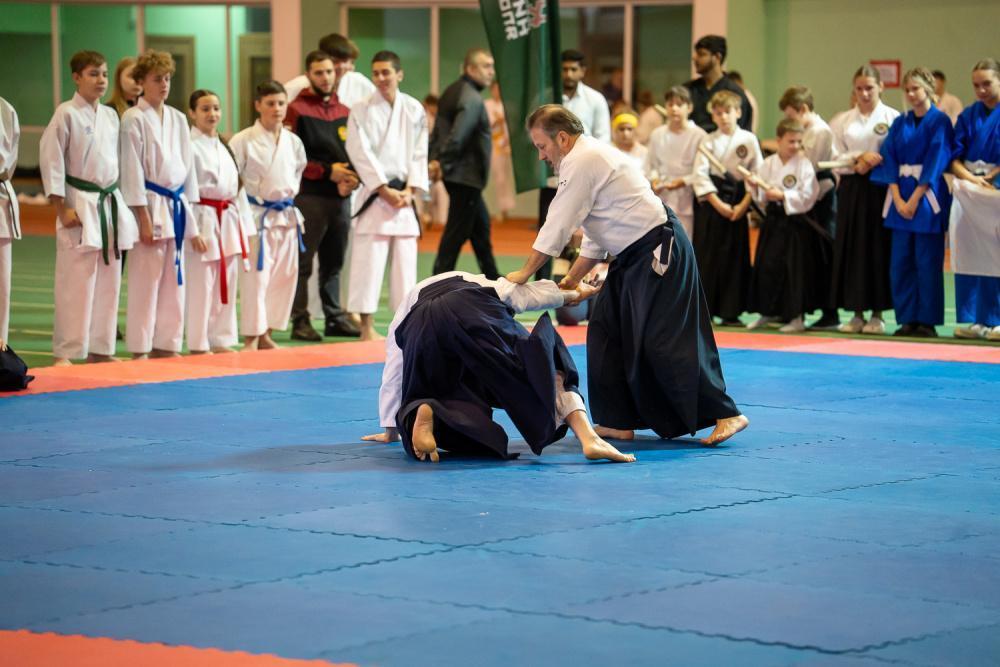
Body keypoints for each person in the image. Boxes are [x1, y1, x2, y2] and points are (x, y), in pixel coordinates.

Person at [506, 105, 749, 446]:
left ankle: (726, 413)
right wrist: (572, 280)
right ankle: (616, 420)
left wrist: (526, 271)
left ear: (561, 138)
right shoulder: (583, 160)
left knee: (663, 338)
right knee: (606, 329)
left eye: (541, 146)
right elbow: (596, 231)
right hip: (630, 256)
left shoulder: (583, 159)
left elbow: (558, 221)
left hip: (659, 249)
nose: (541, 155)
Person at [361, 271, 635, 464]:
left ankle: (427, 408)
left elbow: (395, 365)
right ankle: (589, 438)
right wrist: (572, 294)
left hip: (418, 325)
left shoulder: (410, 301)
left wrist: (390, 428)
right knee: (540, 359)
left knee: (434, 394)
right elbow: (522, 295)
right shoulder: (477, 281)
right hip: (471, 307)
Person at [41, 51, 138, 366]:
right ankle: (67, 352)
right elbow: (52, 160)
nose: (101, 80)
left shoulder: (110, 116)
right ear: (76, 77)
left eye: (105, 74)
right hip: (79, 202)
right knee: (76, 281)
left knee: (109, 281)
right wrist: (62, 207)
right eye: (93, 74)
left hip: (108, 201)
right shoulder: (65, 113)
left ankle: (101, 348)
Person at [120, 49, 198, 360]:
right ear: (141, 82)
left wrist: (191, 213)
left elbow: (188, 168)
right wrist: (142, 216)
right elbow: (131, 171)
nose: (164, 84)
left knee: (174, 279)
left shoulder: (178, 118)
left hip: (176, 203)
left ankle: (167, 344)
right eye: (157, 79)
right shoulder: (133, 118)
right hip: (149, 203)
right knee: (145, 281)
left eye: (167, 78)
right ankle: (140, 347)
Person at [345, 51, 427, 341]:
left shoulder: (414, 108)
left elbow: (420, 152)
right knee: (367, 264)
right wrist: (382, 188)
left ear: (399, 74)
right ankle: (366, 326)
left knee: (405, 269)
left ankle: (404, 325)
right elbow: (359, 151)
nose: (380, 78)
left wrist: (411, 190)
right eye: (376, 73)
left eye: (386, 72)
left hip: (404, 196)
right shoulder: (361, 109)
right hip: (375, 194)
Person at [871, 68, 954, 338]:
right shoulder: (900, 122)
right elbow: (889, 158)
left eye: (915, 88)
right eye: (907, 89)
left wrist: (915, 198)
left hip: (927, 197)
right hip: (900, 197)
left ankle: (927, 321)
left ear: (928, 89)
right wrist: (897, 198)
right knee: (901, 262)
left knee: (927, 262)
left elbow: (936, 160)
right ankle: (907, 318)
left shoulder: (939, 121)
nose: (910, 94)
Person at [284, 50, 360, 341]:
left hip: (340, 198)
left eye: (329, 72)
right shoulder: (296, 109)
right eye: (319, 73)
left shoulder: (345, 110)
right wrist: (328, 172)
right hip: (309, 197)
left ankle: (334, 317)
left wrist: (351, 178)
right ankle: (300, 320)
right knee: (303, 263)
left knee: (334, 261)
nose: (326, 77)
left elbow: (354, 153)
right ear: (309, 75)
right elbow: (294, 158)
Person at [231, 81, 307, 350]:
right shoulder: (242, 140)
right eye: (270, 103)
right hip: (256, 215)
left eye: (281, 103)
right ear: (258, 105)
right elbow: (233, 180)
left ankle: (267, 333)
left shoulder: (293, 141)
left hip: (285, 215)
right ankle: (251, 337)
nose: (277, 108)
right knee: (256, 278)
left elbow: (297, 173)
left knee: (283, 277)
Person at [829, 65, 900, 335]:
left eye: (870, 87)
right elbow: (834, 156)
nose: (864, 93)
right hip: (851, 188)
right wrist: (857, 158)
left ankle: (878, 314)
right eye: (859, 88)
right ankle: (856, 313)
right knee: (853, 248)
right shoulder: (843, 120)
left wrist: (873, 161)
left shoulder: (893, 117)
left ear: (881, 87)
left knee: (878, 248)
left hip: (881, 187)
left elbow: (898, 153)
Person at [185, 89, 254, 355]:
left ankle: (221, 338)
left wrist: (244, 228)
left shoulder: (224, 146)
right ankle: (198, 342)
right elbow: (185, 191)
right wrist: (192, 230)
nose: (212, 114)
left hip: (228, 218)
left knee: (228, 280)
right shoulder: (189, 146)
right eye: (205, 109)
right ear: (192, 113)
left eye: (216, 108)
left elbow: (237, 190)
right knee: (202, 284)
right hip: (202, 217)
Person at [535, 49, 612, 281]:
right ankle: (541, 280)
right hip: (552, 177)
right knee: (547, 227)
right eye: (564, 69)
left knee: (584, 232)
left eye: (573, 69)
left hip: (584, 178)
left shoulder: (595, 100)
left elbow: (603, 139)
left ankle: (577, 280)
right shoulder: (547, 98)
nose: (568, 74)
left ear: (582, 71)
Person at [691, 90, 763, 326]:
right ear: (712, 116)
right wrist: (718, 204)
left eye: (727, 112)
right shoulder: (708, 140)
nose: (723, 117)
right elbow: (700, 175)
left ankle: (731, 312)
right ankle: (707, 310)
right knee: (709, 256)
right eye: (718, 113)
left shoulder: (749, 139)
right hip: (714, 202)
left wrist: (744, 205)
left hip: (739, 198)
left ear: (738, 112)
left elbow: (757, 174)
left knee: (735, 257)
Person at [747, 119, 824, 332]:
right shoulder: (768, 163)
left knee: (793, 270)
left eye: (799, 142)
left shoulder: (804, 164)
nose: (796, 146)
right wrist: (755, 187)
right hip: (773, 220)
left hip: (795, 222)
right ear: (778, 140)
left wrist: (783, 195)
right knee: (767, 266)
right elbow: (760, 196)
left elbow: (809, 194)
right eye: (791, 141)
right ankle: (768, 311)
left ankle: (796, 317)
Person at [429, 48, 500, 279]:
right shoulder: (471, 97)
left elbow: (439, 133)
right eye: (486, 66)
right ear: (470, 69)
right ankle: (435, 284)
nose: (491, 71)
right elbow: (458, 136)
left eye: (492, 66)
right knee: (455, 234)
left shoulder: (454, 91)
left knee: (480, 232)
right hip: (465, 177)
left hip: (463, 177)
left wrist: (436, 160)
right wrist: (440, 162)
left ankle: (494, 281)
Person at [779, 85, 839, 330]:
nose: (790, 121)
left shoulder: (820, 131)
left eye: (791, 115)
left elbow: (808, 167)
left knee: (825, 253)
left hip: (822, 196)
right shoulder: (808, 131)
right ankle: (817, 308)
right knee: (812, 256)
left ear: (803, 109)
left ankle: (831, 313)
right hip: (809, 195)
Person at [949, 58, 1000, 341]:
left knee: (996, 254)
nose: (980, 90)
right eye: (976, 85)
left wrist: (992, 175)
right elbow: (953, 156)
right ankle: (977, 319)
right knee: (970, 252)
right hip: (970, 189)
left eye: (987, 84)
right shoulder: (968, 115)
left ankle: (996, 318)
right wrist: (970, 178)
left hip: (996, 190)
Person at [644, 86, 706, 240]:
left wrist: (683, 181)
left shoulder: (699, 135)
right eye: (670, 104)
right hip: (661, 194)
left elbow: (701, 171)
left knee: (683, 240)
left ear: (689, 108)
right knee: (659, 242)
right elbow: (650, 165)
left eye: (679, 104)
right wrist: (654, 179)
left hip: (687, 196)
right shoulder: (657, 134)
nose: (674, 109)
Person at [283, 33, 375, 110]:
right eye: (335, 61)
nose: (341, 66)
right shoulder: (297, 86)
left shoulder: (359, 82)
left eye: (345, 61)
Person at [684, 35, 753, 133]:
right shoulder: (688, 90)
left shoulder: (735, 92)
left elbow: (743, 131)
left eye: (701, 54)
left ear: (717, 57)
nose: (694, 58)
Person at [0, 97, 20, 350]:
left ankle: (0, 351)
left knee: (1, 285)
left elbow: (10, 161)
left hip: (1, 201)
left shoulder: (6, 110)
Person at [485, 81, 515, 221]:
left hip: (504, 145)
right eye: (495, 89)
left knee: (504, 178)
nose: (497, 92)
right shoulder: (487, 105)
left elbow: (511, 126)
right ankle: (495, 208)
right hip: (491, 144)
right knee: (496, 178)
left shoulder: (506, 105)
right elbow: (486, 124)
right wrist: (498, 120)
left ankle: (505, 208)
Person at [417, 94, 449, 227]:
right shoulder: (423, 118)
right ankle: (423, 217)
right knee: (423, 191)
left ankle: (435, 219)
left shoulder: (438, 121)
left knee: (435, 189)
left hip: (433, 164)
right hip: (422, 163)